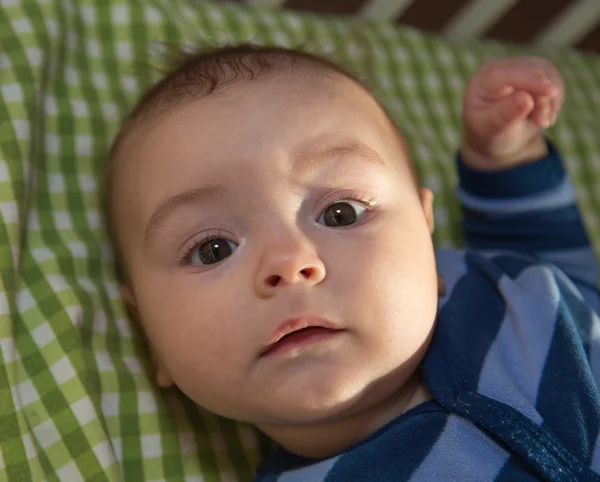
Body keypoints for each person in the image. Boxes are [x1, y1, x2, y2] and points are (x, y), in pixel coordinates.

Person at [104, 45, 600, 480]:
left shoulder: (509, 291)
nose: (289, 262)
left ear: (424, 239)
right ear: (147, 329)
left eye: (340, 214)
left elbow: (550, 256)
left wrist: (504, 160)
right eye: (213, 249)